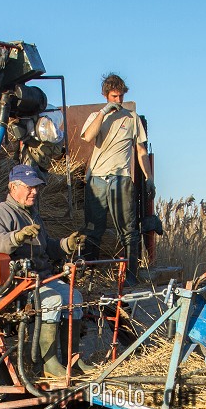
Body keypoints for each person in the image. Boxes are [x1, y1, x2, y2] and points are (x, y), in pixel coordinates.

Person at [0, 164, 88, 378]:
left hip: (42, 278)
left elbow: (46, 246)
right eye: (30, 187)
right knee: (51, 301)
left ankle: (72, 359)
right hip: (18, 284)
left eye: (36, 187)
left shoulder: (33, 214)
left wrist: (68, 244)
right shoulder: (2, 212)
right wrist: (17, 237)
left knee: (74, 297)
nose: (35, 192)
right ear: (14, 187)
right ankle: (48, 364)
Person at [79, 73, 153, 268]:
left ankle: (131, 274)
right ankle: (90, 272)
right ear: (106, 96)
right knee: (93, 228)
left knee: (129, 229)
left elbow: (141, 151)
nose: (119, 100)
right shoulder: (96, 117)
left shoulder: (132, 118)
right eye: (114, 97)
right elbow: (88, 137)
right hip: (97, 179)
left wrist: (149, 177)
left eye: (121, 96)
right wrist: (104, 112)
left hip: (121, 178)